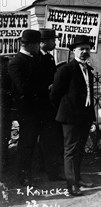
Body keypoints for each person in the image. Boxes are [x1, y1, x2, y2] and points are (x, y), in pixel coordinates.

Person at [50, 35, 96, 196]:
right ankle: (71, 185)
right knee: (70, 150)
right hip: (70, 117)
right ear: (73, 51)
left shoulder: (88, 70)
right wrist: (66, 111)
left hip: (84, 116)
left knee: (80, 149)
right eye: (81, 49)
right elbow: (55, 95)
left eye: (87, 49)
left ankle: (77, 178)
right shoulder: (65, 70)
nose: (84, 52)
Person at [7, 30, 49, 185]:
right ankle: (23, 174)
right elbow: (24, 87)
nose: (39, 47)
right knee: (27, 143)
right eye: (38, 44)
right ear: (31, 45)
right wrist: (45, 88)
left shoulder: (34, 58)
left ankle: (32, 171)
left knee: (35, 142)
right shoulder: (16, 62)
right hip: (28, 110)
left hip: (38, 109)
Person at [38, 28, 64, 181]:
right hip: (44, 104)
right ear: (44, 42)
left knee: (48, 137)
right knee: (49, 138)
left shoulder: (48, 57)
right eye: (53, 40)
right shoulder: (38, 58)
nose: (55, 43)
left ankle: (45, 166)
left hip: (50, 103)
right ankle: (51, 171)